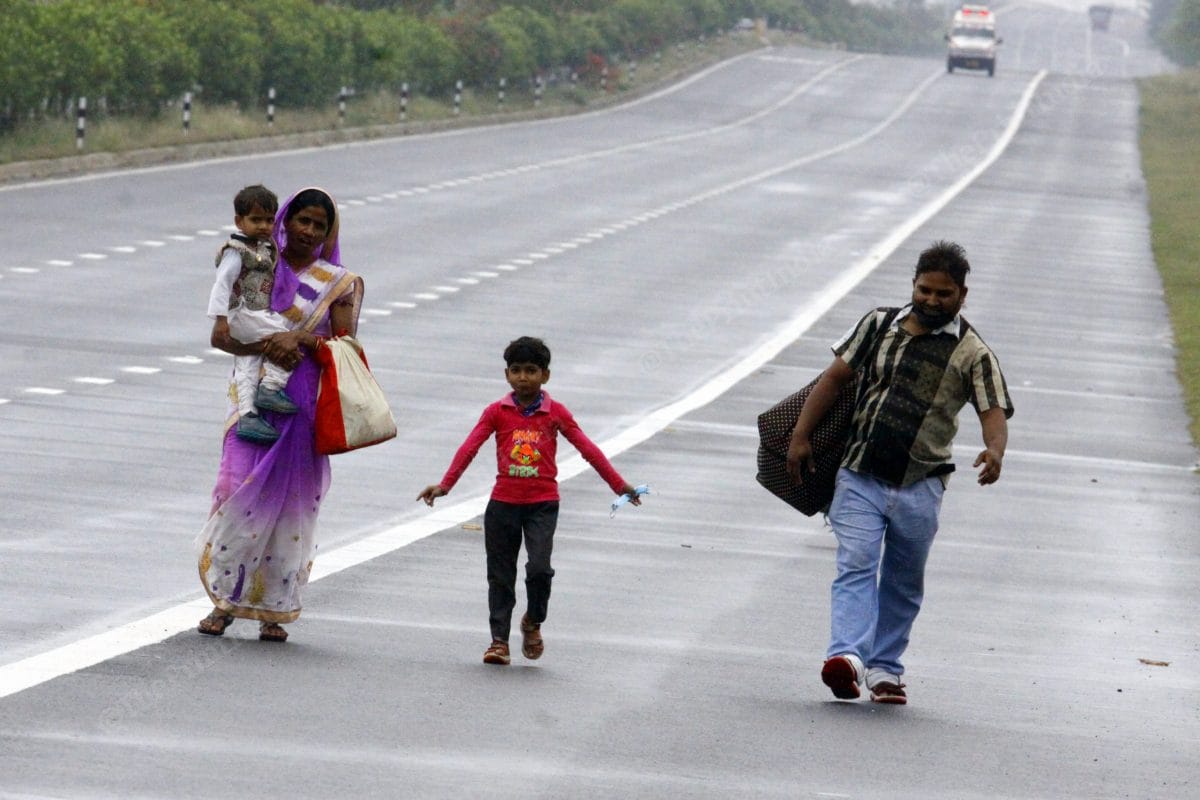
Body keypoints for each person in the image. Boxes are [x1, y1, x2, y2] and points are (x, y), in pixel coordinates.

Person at [786, 240, 1012, 705]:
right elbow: (834, 378)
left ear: (962, 295)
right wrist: (800, 435)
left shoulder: (972, 352)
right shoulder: (877, 325)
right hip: (859, 473)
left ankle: (885, 670)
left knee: (904, 582)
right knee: (856, 564)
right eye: (924, 290)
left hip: (921, 484)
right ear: (913, 285)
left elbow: (993, 410)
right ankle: (846, 658)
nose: (932, 300)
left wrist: (994, 451)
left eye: (943, 294)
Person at [196, 187, 364, 643]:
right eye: (301, 221)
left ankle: (275, 608)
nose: (308, 231)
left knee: (291, 505)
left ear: (328, 233)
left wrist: (303, 340)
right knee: (236, 490)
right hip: (251, 401)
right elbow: (222, 335)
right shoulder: (257, 266)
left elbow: (346, 347)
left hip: (302, 405)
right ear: (283, 221)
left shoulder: (338, 282)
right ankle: (224, 602)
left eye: (318, 225)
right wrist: (267, 344)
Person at [417, 336, 643, 666]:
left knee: (539, 569)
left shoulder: (556, 414)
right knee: (500, 574)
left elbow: (588, 450)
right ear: (507, 375)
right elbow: (469, 448)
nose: (524, 378)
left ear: (545, 376)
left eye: (532, 371)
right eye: (516, 371)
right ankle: (498, 641)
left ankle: (533, 621)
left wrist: (619, 485)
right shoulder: (497, 412)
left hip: (542, 505)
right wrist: (445, 485)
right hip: (502, 505)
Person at [206, 184, 300, 445]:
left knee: (247, 362)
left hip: (251, 314)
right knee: (285, 338)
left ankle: (247, 415)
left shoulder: (264, 248)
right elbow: (222, 284)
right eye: (255, 219)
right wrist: (220, 320)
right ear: (239, 220)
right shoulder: (236, 251)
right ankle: (271, 386)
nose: (263, 226)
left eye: (269, 220)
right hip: (242, 314)